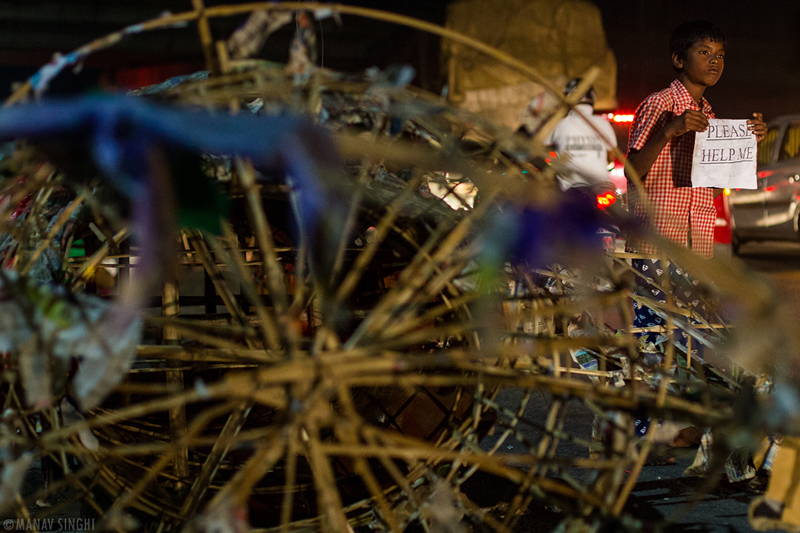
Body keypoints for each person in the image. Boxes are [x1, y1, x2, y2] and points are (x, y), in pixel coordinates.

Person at [623, 20, 767, 461]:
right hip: (655, 244)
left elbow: (716, 180)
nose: (715, 62)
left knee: (686, 337)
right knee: (650, 337)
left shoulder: (713, 115)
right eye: (704, 53)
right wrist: (670, 132)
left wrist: (749, 139)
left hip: (694, 244)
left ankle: (676, 424)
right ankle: (640, 431)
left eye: (720, 54)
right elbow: (631, 172)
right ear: (678, 59)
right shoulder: (660, 105)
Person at [545, 78, 618, 191]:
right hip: (602, 186)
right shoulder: (603, 123)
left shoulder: (560, 124)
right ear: (592, 97)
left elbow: (542, 145)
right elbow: (611, 152)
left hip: (570, 188)